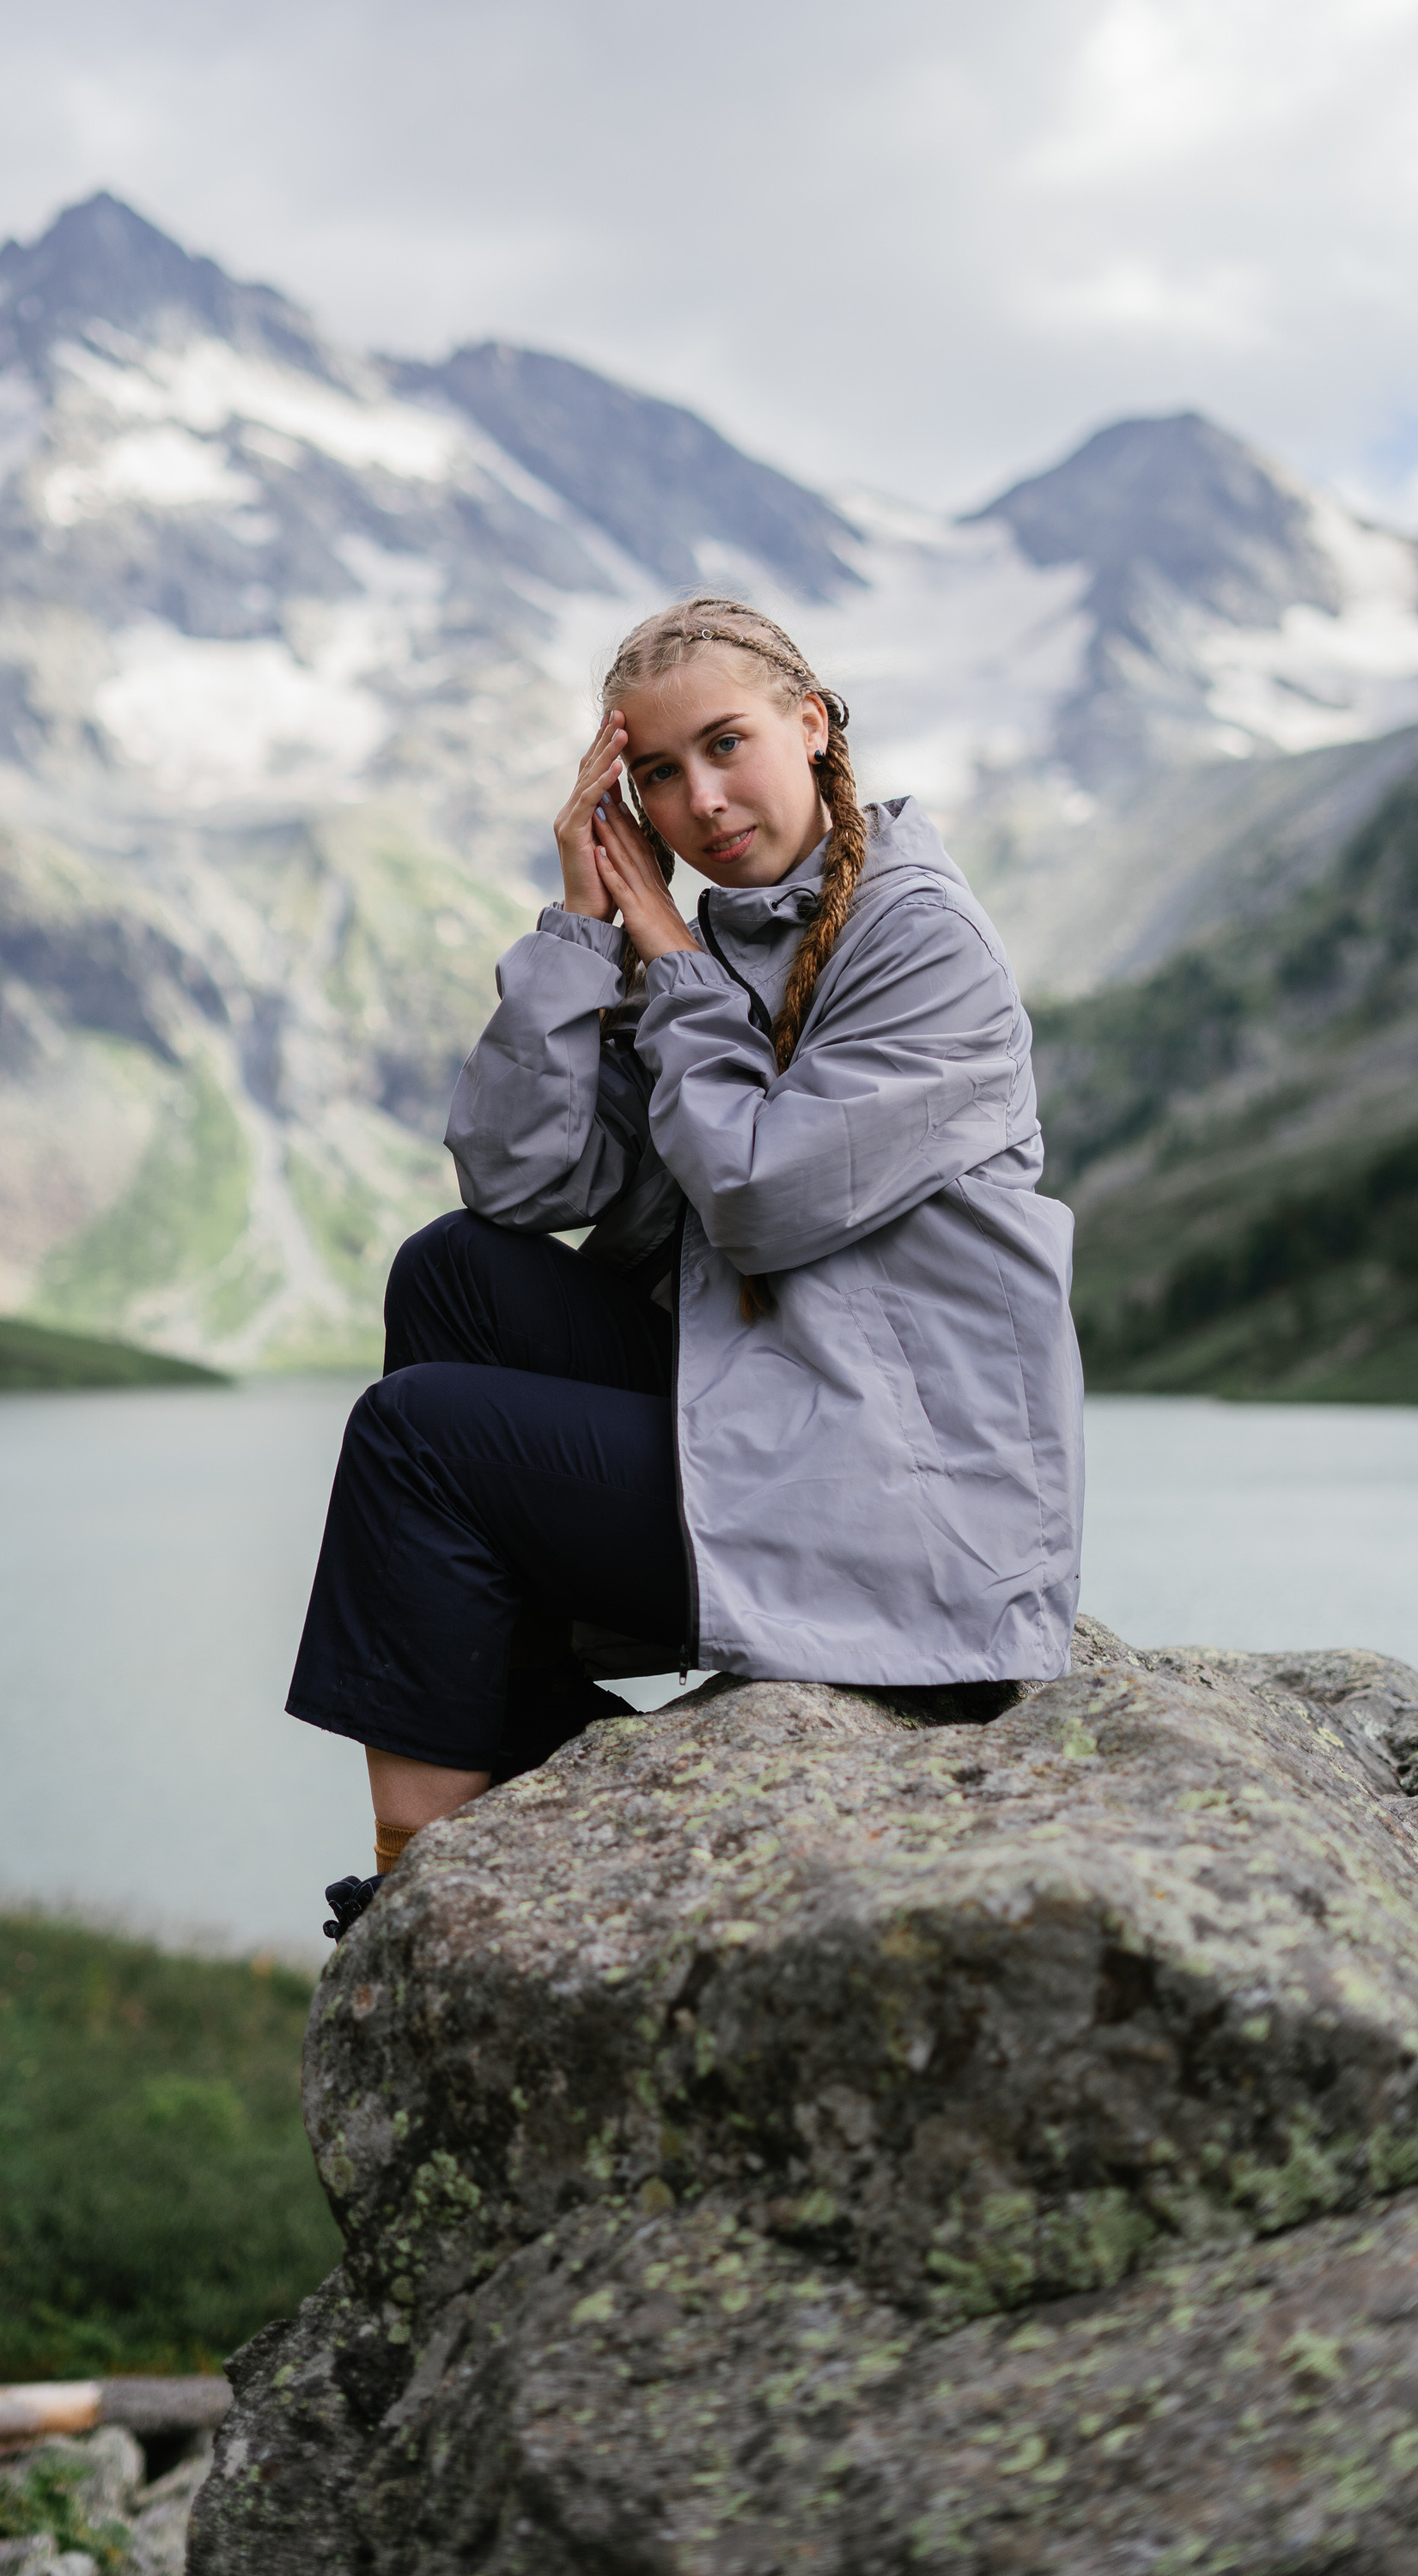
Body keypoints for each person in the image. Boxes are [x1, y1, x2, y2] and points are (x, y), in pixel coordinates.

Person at [289, 598, 1085, 1939]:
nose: (702, 801)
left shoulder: (919, 939)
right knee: (454, 1274)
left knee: (418, 1439)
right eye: (656, 773)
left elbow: (767, 1196)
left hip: (905, 1503)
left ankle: (417, 1877)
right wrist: (577, 936)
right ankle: (526, 1727)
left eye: (728, 744)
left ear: (812, 722)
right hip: (785, 1420)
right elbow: (520, 1183)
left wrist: (665, 959)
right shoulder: (719, 944)